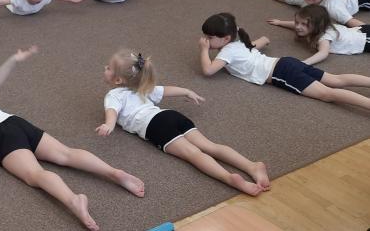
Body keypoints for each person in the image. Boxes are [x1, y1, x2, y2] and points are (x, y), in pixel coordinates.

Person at [0, 46, 145, 231]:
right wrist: (13, 59)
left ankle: (73, 200)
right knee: (66, 154)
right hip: (15, 123)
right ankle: (113, 172)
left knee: (35, 175)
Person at [98, 49, 269, 196]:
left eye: (108, 68)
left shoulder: (113, 95)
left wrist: (109, 124)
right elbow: (166, 90)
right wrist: (186, 91)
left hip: (155, 126)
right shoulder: (141, 87)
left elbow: (112, 111)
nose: (105, 68)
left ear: (118, 80)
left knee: (193, 154)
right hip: (171, 115)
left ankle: (228, 178)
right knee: (210, 146)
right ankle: (252, 166)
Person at [200, 12, 370, 111]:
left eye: (209, 37)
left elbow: (208, 70)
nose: (206, 40)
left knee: (328, 94)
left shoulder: (227, 52)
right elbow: (261, 41)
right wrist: (265, 40)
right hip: (286, 62)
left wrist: (204, 50)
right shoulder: (239, 42)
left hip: (282, 73)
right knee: (335, 79)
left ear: (226, 38)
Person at [267, 4, 370, 65]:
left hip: (365, 39)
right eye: (297, 22)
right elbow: (295, 24)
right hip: (360, 31)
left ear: (317, 25)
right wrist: (280, 22)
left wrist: (304, 63)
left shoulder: (324, 37)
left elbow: (323, 53)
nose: (298, 27)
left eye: (303, 24)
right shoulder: (317, 27)